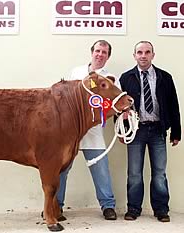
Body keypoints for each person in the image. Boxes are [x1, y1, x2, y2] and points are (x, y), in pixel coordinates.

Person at [118, 41, 181, 222]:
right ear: (134, 55)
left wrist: (176, 132)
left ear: (153, 55)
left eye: (147, 52)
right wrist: (122, 130)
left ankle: (161, 210)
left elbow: (173, 105)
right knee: (134, 173)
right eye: (139, 52)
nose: (143, 55)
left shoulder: (164, 77)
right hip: (135, 131)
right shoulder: (126, 78)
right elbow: (119, 106)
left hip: (158, 131)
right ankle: (133, 209)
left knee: (159, 173)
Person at [57, 40, 117, 220]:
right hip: (72, 132)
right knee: (61, 169)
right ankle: (55, 205)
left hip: (94, 132)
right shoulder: (76, 72)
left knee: (101, 169)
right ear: (92, 52)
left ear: (108, 57)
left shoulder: (111, 77)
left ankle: (108, 206)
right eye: (98, 50)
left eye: (104, 52)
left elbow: (114, 102)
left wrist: (123, 113)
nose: (100, 54)